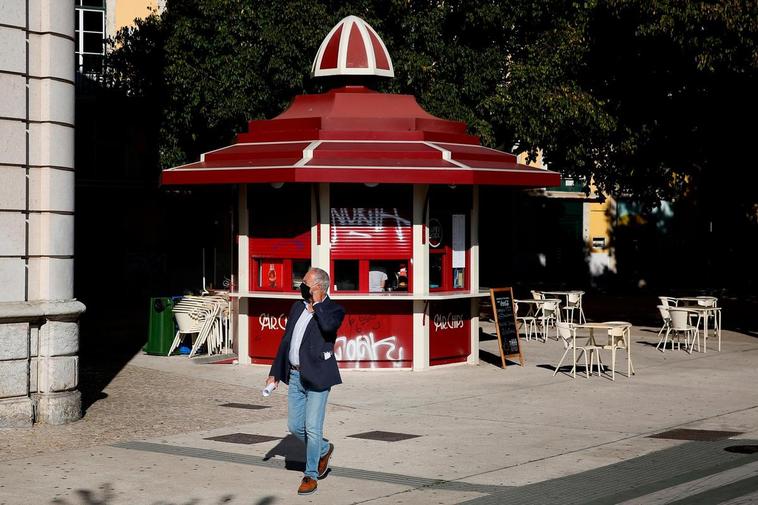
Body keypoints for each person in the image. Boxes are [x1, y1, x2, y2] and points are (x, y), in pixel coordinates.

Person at [266, 267, 345, 495]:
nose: (301, 286)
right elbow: (286, 341)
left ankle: (310, 475)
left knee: (312, 427)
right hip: (295, 375)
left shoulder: (333, 309)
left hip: (319, 376)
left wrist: (319, 304)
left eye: (306, 284)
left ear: (318, 288)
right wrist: (276, 373)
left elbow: (329, 327)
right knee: (294, 426)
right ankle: (323, 448)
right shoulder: (296, 307)